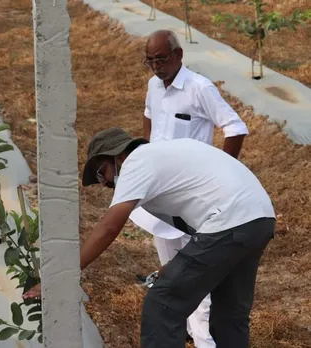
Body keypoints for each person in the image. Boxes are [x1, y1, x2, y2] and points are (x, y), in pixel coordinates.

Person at [25, 127, 275, 348]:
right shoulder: (165, 157)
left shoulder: (137, 161)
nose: (105, 184)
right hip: (259, 219)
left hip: (229, 221)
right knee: (229, 317)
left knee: (163, 304)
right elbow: (202, 226)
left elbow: (110, 228)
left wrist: (64, 275)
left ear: (119, 156)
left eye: (102, 173)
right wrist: (178, 264)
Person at [138, 29, 250, 346]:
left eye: (161, 58)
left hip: (191, 196)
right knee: (172, 268)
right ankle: (188, 329)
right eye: (150, 60)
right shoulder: (153, 87)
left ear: (178, 55)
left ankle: (205, 340)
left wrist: (223, 169)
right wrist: (149, 150)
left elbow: (235, 127)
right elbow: (149, 116)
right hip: (161, 193)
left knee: (197, 269)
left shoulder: (199, 88)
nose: (156, 66)